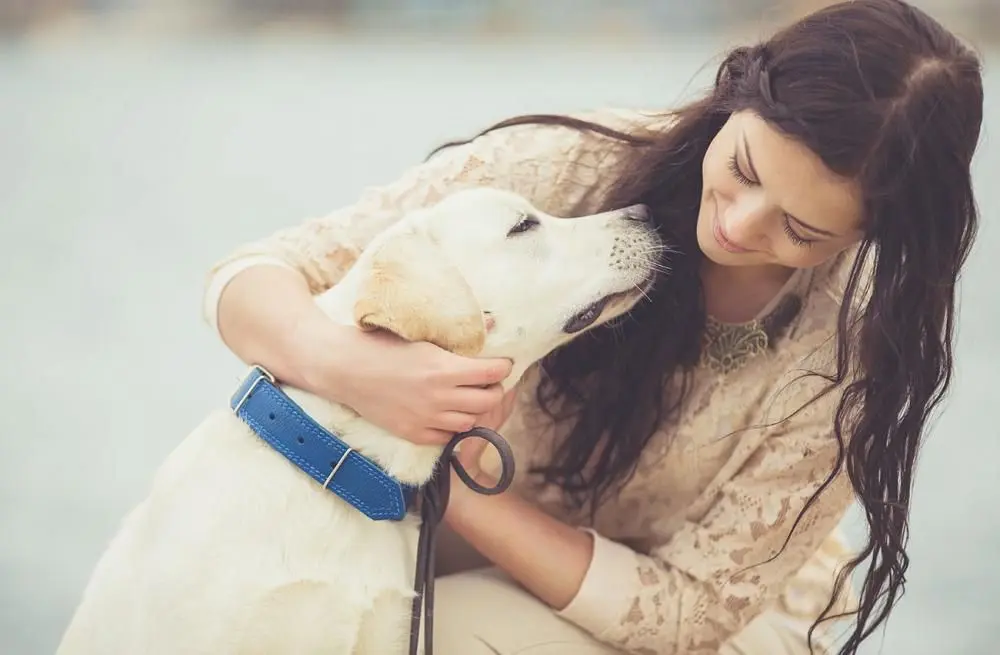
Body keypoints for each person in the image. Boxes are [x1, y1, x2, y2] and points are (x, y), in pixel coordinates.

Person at [202, 0, 983, 653]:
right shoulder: (565, 170)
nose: (741, 225)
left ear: (868, 236)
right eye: (744, 169)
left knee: (439, 633)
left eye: (802, 231)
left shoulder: (850, 347)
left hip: (715, 632)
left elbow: (688, 611)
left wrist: (448, 477)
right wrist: (348, 369)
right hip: (457, 552)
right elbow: (254, 277)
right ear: (736, 91)